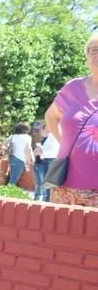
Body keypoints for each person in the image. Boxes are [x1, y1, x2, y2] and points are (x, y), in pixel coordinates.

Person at [44, 32, 98, 207]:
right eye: (93, 50)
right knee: (60, 232)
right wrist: (63, 142)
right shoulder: (72, 88)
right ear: (87, 55)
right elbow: (50, 116)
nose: (97, 55)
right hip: (65, 184)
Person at [33, 127, 60, 202]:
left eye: (43, 129)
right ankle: (45, 201)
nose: (41, 131)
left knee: (47, 186)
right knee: (44, 185)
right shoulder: (49, 137)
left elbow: (54, 151)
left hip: (49, 161)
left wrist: (41, 152)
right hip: (44, 161)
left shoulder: (54, 137)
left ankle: (47, 202)